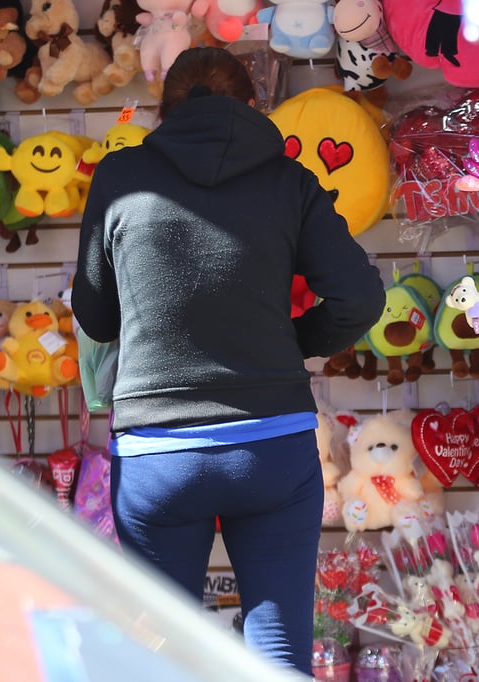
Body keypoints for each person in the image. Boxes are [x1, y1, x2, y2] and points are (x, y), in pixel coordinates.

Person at [72, 46, 385, 675]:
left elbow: (97, 316)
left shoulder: (120, 177)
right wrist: (286, 341)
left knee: (161, 652)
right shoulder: (288, 180)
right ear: (252, 105)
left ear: (164, 112)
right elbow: (360, 298)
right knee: (279, 651)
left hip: (159, 453)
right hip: (271, 444)